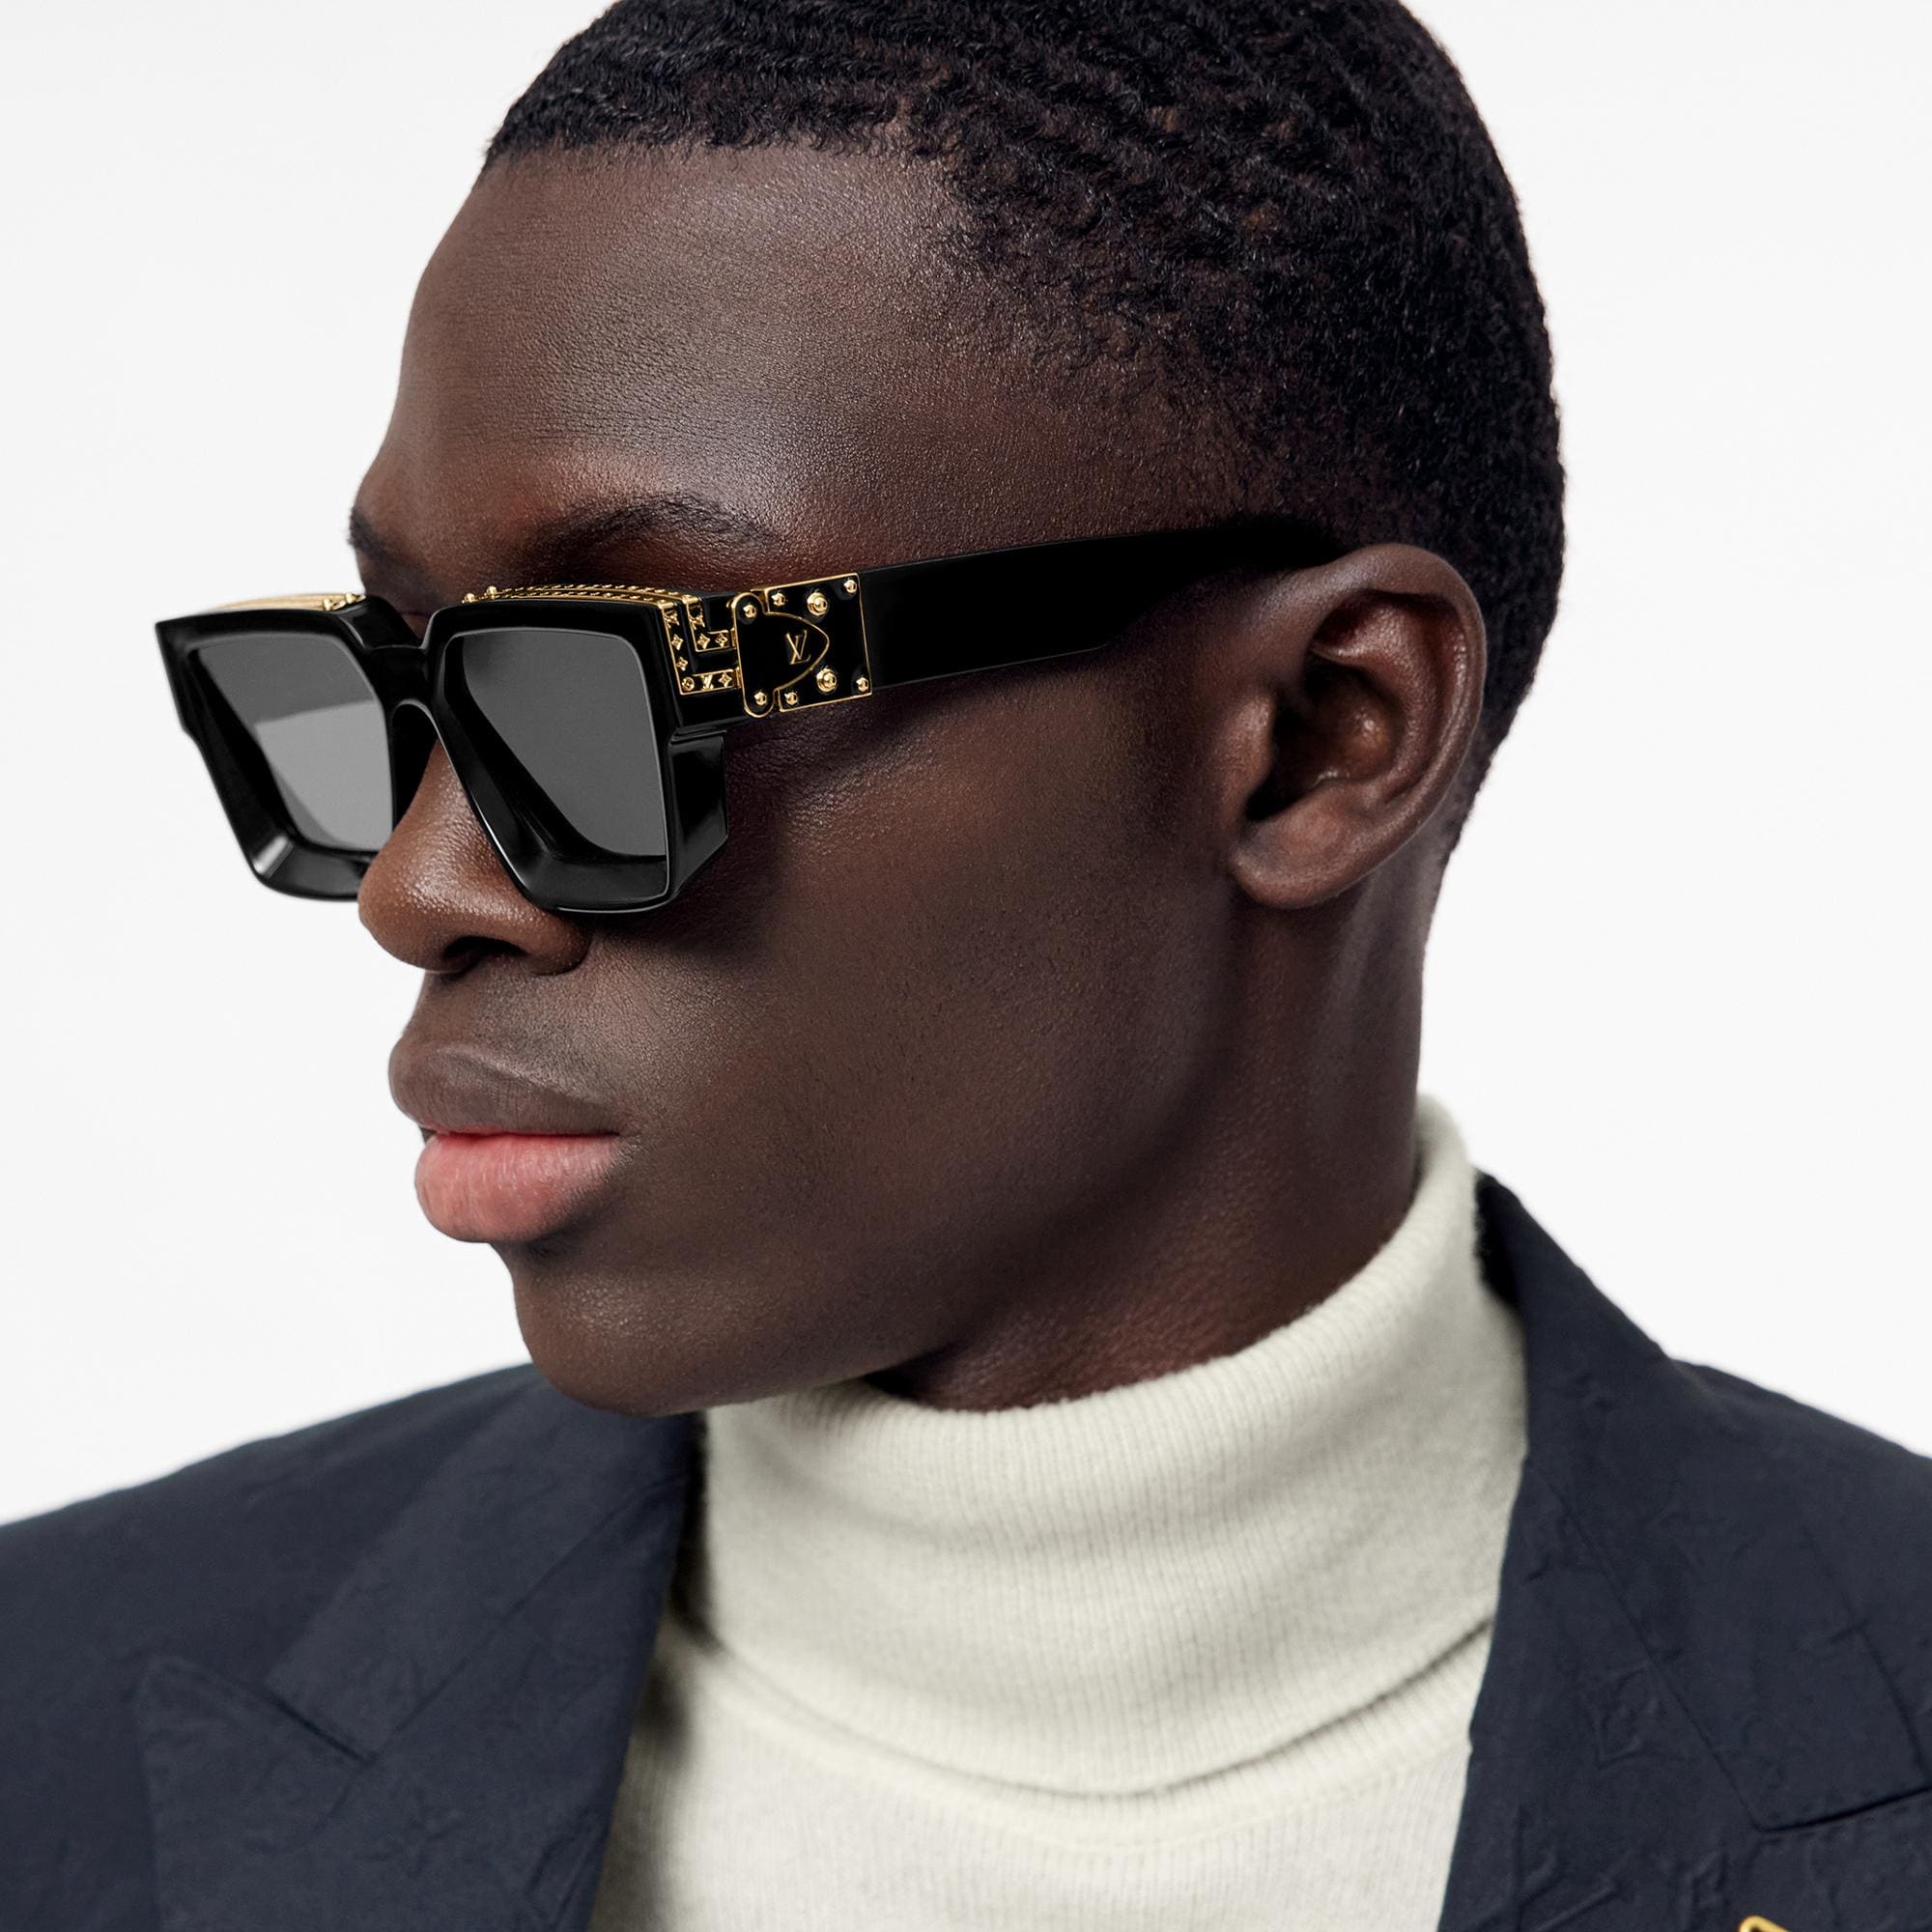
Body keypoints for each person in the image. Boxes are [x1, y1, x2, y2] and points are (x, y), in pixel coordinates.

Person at [4, 2, 1928, 1926]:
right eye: (411, 681)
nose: (423, 883)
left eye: (626, 682)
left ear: (1321, 736)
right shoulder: (43, 1726)